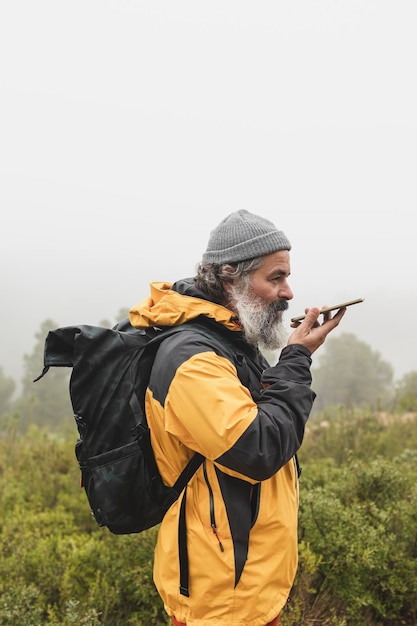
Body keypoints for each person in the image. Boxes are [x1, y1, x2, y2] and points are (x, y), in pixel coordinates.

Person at [129, 209, 346, 626]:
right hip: (221, 597)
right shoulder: (192, 359)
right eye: (276, 277)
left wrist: (292, 359)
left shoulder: (229, 340)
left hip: (246, 585)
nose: (288, 293)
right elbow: (258, 449)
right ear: (231, 277)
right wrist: (296, 359)